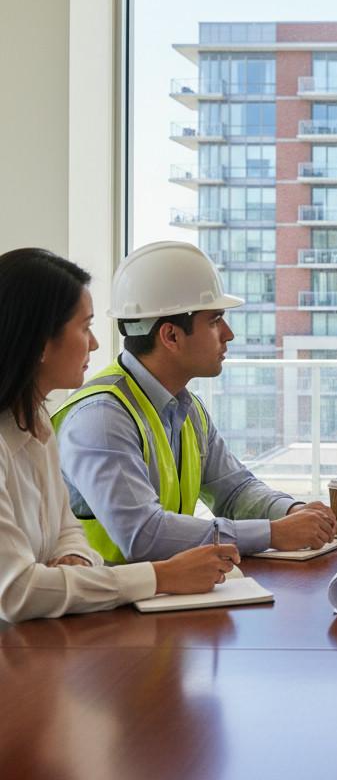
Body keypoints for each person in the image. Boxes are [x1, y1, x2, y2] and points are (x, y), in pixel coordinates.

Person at [57, 241, 337, 563]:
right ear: (171, 336)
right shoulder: (102, 418)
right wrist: (274, 533)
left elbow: (234, 491)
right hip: (104, 607)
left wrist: (293, 512)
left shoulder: (186, 408)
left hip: (160, 598)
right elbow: (143, 535)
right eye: (215, 320)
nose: (229, 334)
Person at [0, 248, 240, 623]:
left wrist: (74, 560)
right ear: (42, 343)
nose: (94, 344)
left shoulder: (37, 425)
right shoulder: (97, 415)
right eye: (85, 327)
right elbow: (16, 592)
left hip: (46, 642)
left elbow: (68, 533)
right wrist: (160, 576)